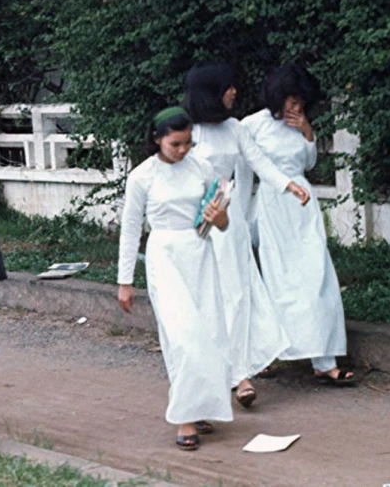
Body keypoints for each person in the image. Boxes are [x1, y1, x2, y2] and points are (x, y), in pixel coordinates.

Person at [183, 62, 309, 406]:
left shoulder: (236, 128)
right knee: (207, 298)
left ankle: (241, 376)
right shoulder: (187, 131)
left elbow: (259, 163)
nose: (234, 91)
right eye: (227, 86)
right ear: (211, 91)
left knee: (238, 295)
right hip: (196, 223)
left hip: (230, 220)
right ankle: (208, 374)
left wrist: (289, 185)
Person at [117, 106, 233, 451]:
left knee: (209, 332)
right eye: (175, 144)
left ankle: (201, 407)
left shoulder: (202, 167)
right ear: (157, 140)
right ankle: (184, 416)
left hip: (200, 251)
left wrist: (221, 217)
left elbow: (222, 222)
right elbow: (130, 228)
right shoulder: (142, 176)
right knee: (181, 336)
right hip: (165, 255)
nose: (183, 150)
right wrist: (125, 280)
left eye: (187, 143)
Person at [241, 62, 355, 385]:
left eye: (301, 101)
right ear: (277, 97)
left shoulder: (300, 123)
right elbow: (247, 169)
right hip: (273, 206)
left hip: (303, 204)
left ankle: (325, 359)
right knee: (280, 282)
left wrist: (307, 131)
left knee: (317, 275)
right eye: (291, 100)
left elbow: (307, 162)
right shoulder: (253, 125)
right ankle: (266, 353)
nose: (296, 106)